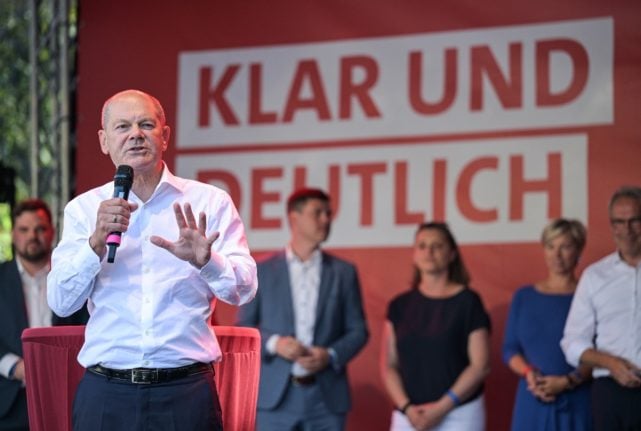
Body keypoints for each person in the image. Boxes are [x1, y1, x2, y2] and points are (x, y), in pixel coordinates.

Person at [47, 89, 257, 431]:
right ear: (104, 141)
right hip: (106, 394)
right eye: (122, 126)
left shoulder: (210, 202)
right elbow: (60, 301)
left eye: (146, 124)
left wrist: (208, 261)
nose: (135, 134)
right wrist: (95, 243)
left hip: (186, 393)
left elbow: (245, 289)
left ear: (165, 136)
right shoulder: (84, 210)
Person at [236, 188, 368, 431]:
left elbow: (358, 330)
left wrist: (330, 355)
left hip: (326, 399)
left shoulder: (343, 272)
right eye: (317, 213)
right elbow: (244, 328)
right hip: (275, 399)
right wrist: (276, 343)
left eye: (328, 213)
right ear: (294, 217)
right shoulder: (262, 270)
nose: (326, 220)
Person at [380, 222, 491, 431]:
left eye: (437, 246)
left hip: (459, 413)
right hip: (409, 416)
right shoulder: (399, 306)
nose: (428, 252)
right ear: (414, 254)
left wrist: (441, 408)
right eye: (422, 246)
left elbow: (480, 365)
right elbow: (389, 366)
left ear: (452, 254)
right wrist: (407, 408)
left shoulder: (468, 302)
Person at [0, 198, 88, 430]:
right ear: (13, 233)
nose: (32, 236)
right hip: (9, 399)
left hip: (66, 393)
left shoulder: (73, 276)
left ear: (53, 231)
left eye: (40, 229)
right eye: (24, 229)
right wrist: (15, 367)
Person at [561, 186, 641, 430]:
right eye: (619, 222)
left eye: (634, 221)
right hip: (610, 393)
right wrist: (610, 363)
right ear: (611, 225)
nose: (626, 230)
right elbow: (572, 342)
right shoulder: (595, 276)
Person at [503, 219, 592, 431]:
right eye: (551, 246)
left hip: (578, 401)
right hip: (532, 399)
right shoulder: (524, 296)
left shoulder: (589, 294)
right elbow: (510, 348)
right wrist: (529, 373)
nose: (557, 254)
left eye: (565, 247)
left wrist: (569, 381)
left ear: (579, 249)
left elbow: (603, 352)